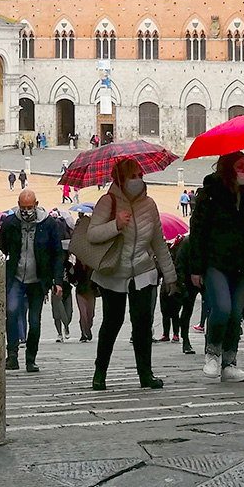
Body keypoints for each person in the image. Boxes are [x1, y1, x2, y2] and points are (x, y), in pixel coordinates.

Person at [88, 158, 177, 390]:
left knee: (142, 324)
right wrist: (115, 224)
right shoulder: (107, 202)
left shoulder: (149, 205)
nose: (138, 180)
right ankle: (100, 373)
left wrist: (170, 277)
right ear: (120, 179)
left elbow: (159, 243)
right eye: (133, 176)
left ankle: (145, 374)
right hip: (114, 273)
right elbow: (92, 235)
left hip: (143, 271)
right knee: (112, 322)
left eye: (140, 175)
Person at [188, 151, 244, 381]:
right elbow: (197, 228)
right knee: (222, 307)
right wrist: (196, 267)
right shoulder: (213, 190)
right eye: (239, 165)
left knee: (236, 313)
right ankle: (212, 354)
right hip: (216, 260)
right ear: (229, 168)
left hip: (243, 263)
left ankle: (229, 362)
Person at [0, 188, 64, 372]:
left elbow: (57, 253)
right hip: (16, 277)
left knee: (35, 320)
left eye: (30, 207)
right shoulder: (10, 223)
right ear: (18, 205)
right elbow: (0, 250)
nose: (27, 211)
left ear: (37, 204)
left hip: (38, 280)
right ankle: (12, 355)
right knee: (10, 311)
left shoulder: (48, 224)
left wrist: (58, 281)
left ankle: (31, 358)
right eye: (23, 207)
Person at [175, 235, 197, 354]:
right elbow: (180, 264)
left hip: (205, 279)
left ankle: (210, 342)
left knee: (211, 309)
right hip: (188, 281)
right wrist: (182, 283)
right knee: (187, 311)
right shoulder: (187, 242)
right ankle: (185, 339)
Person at [71, 251, 97, 342]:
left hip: (90, 292)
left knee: (91, 314)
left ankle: (88, 328)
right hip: (80, 292)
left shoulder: (92, 267)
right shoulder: (76, 266)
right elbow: (72, 278)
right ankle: (83, 333)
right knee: (83, 314)